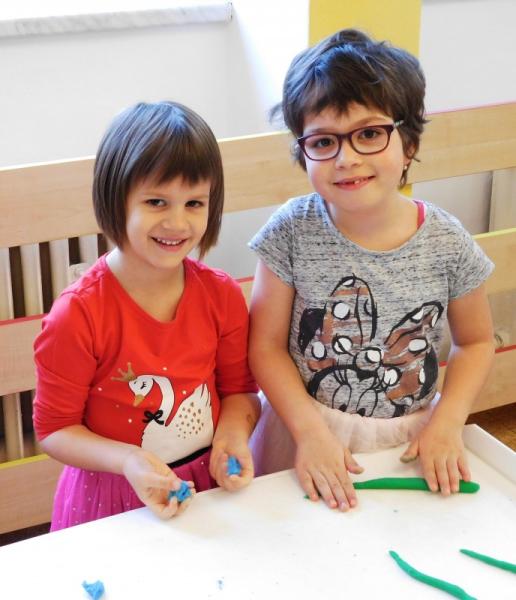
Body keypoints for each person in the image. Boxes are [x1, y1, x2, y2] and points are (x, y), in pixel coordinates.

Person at [248, 29, 494, 512]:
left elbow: (476, 342)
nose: (347, 158)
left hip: (407, 440)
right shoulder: (290, 230)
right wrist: (310, 433)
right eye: (324, 141)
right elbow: (265, 347)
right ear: (303, 151)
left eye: (369, 134)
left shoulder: (447, 241)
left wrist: (447, 421)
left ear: (409, 142)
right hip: (301, 431)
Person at [33, 101, 260, 530]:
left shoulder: (222, 295)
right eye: (157, 201)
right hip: (112, 495)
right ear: (114, 200)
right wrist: (129, 460)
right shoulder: (78, 315)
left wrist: (232, 435)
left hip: (206, 486)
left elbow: (240, 392)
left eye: (194, 203)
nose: (177, 222)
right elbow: (55, 430)